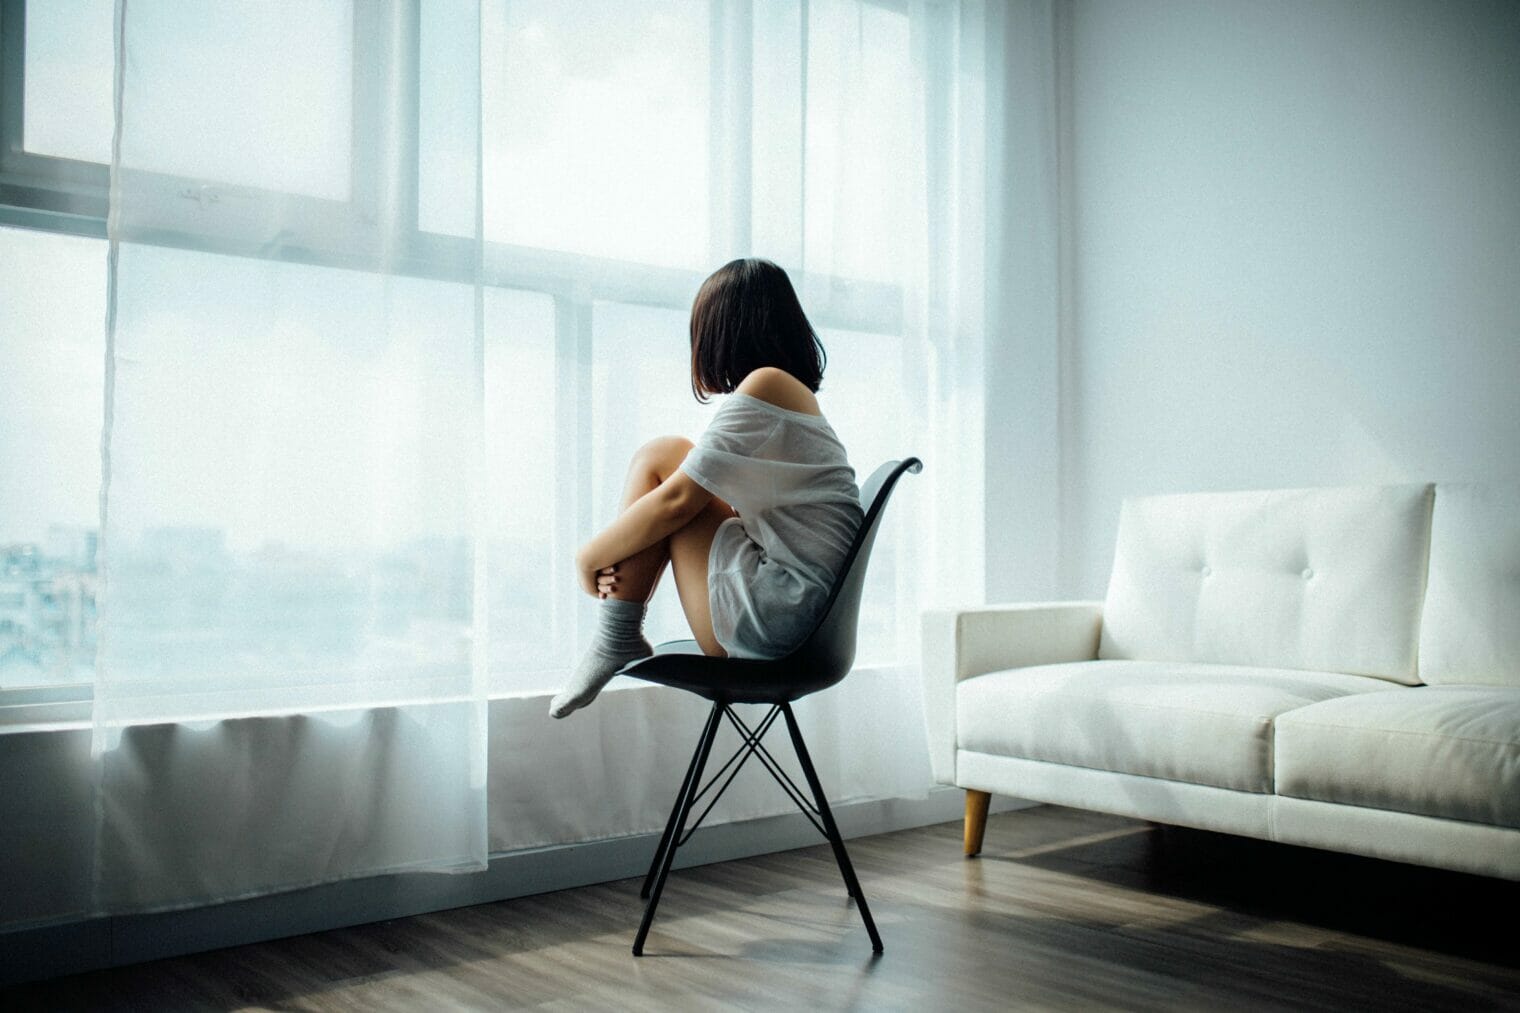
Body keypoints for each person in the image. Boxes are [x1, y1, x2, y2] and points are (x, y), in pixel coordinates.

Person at [549, 258, 863, 718]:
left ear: (723, 332)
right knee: (670, 456)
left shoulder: (768, 385)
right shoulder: (789, 396)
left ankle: (615, 635)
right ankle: (616, 635)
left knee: (661, 459)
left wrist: (588, 557)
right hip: (799, 618)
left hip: (778, 622)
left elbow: (678, 503)